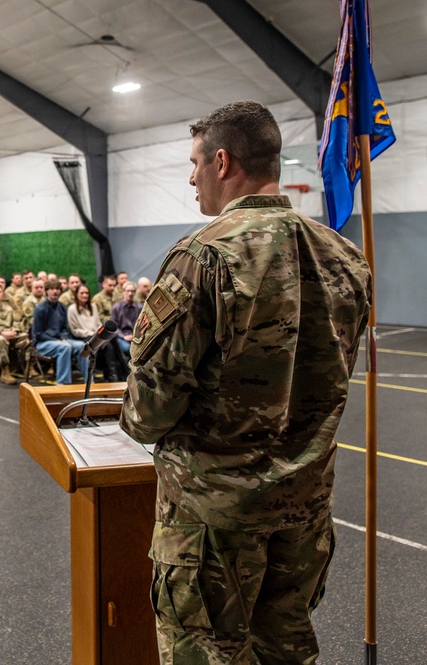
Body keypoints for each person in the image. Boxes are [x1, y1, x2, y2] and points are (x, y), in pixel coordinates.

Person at [119, 101, 372, 664]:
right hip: (304, 511)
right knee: (287, 650)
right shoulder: (346, 257)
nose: (191, 176)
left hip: (214, 523)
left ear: (223, 161)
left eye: (194, 163)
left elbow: (148, 411)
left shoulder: (203, 256)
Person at [31, 280, 88, 385]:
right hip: (43, 343)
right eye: (52, 289)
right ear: (47, 291)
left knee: (82, 345)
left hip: (60, 341)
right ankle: (63, 383)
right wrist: (56, 340)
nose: (55, 292)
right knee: (65, 347)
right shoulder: (40, 309)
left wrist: (63, 337)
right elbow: (38, 333)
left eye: (57, 289)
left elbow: (64, 328)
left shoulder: (62, 307)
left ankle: (89, 380)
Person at [68, 284, 122, 382]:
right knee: (110, 342)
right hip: (83, 337)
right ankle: (116, 373)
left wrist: (96, 333)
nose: (85, 295)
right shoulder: (72, 309)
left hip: (96, 335)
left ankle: (112, 374)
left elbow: (98, 324)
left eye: (87, 293)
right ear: (76, 295)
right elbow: (75, 330)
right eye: (82, 293)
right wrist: (90, 333)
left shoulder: (93, 306)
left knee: (109, 344)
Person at [110, 281, 142, 363]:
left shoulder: (139, 307)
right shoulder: (116, 307)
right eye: (128, 291)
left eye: (132, 291)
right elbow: (114, 327)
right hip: (121, 336)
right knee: (128, 349)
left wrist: (135, 336)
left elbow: (141, 324)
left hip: (136, 336)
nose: (130, 293)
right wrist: (123, 336)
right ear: (123, 292)